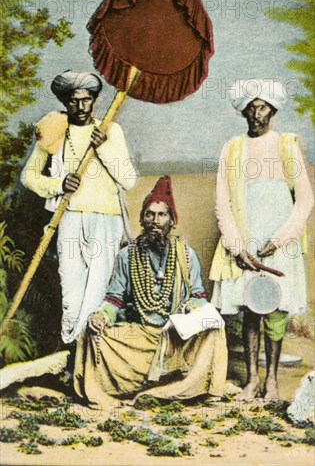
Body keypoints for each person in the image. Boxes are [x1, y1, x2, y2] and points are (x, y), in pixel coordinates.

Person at [74, 176, 227, 410]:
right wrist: (102, 316)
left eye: (162, 215)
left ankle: (193, 387)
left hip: (176, 336)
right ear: (142, 219)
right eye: (150, 214)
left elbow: (198, 296)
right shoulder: (127, 255)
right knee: (91, 333)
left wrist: (190, 310)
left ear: (172, 221)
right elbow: (114, 299)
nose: (155, 221)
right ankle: (136, 387)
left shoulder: (186, 255)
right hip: (140, 336)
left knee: (215, 329)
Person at [210, 79, 314, 400]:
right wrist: (236, 246)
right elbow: (222, 201)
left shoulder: (286, 145)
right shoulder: (233, 148)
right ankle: (252, 380)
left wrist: (281, 239)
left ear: (273, 111)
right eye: (251, 108)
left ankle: (272, 382)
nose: (257, 115)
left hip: (279, 242)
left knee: (276, 309)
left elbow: (305, 201)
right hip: (246, 238)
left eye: (263, 108)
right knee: (251, 310)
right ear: (244, 112)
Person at [21, 70, 137, 346]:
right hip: (69, 218)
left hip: (106, 221)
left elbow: (129, 180)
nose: (82, 107)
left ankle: (93, 360)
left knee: (98, 292)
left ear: (95, 100)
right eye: (74, 101)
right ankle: (73, 353)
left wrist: (104, 147)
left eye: (88, 100)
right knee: (72, 294)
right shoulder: (54, 130)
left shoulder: (110, 130)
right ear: (65, 101)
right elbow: (28, 176)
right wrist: (59, 184)